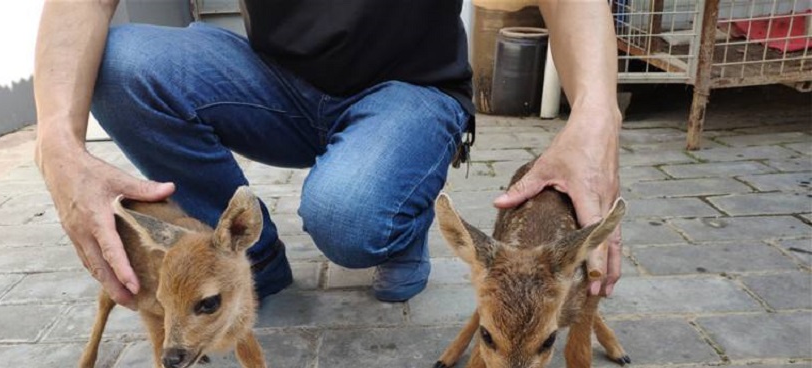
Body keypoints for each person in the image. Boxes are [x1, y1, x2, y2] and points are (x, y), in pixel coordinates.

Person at [33, 0, 622, 307]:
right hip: (277, 81)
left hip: (410, 88)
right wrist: (56, 142)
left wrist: (596, 118)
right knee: (124, 66)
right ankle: (249, 257)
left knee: (348, 217)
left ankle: (402, 214)